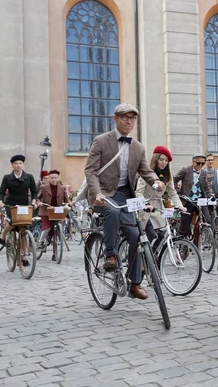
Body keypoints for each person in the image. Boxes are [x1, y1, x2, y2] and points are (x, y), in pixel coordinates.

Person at [84, 103, 165, 300]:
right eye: (124, 117)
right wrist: (97, 193)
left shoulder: (138, 147)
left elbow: (145, 170)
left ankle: (134, 283)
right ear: (115, 119)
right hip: (103, 192)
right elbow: (91, 171)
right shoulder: (101, 141)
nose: (129, 121)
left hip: (124, 195)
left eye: (132, 118)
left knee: (137, 234)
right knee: (111, 212)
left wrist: (155, 181)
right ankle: (110, 255)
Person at [136, 146, 185, 251]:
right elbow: (138, 192)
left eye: (166, 160)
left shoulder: (168, 176)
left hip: (158, 207)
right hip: (145, 207)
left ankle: (152, 257)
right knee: (150, 233)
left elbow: (173, 193)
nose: (164, 162)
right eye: (161, 159)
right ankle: (144, 259)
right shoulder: (147, 173)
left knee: (163, 234)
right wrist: (144, 204)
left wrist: (180, 206)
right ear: (156, 159)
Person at [0, 155, 38, 249]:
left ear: (23, 164)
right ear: (12, 165)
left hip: (24, 205)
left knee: (23, 230)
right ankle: (3, 234)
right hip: (11, 205)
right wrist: (0, 201)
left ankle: (24, 257)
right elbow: (1, 192)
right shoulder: (7, 177)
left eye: (20, 163)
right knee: (13, 222)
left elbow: (34, 191)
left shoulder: (29, 177)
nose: (18, 165)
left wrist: (34, 201)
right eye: (16, 163)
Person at [174, 154, 212, 237]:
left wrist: (210, 197)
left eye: (203, 163)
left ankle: (198, 239)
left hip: (200, 201)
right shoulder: (186, 170)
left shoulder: (204, 172)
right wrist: (177, 192)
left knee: (207, 220)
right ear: (193, 162)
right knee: (185, 226)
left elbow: (206, 187)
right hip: (188, 200)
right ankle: (182, 243)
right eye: (198, 163)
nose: (200, 165)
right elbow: (174, 180)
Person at [36, 169, 70, 260]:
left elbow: (66, 199)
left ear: (58, 178)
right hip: (46, 210)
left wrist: (69, 203)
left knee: (58, 231)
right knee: (47, 227)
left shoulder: (62, 188)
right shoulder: (44, 187)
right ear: (49, 178)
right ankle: (41, 241)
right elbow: (38, 198)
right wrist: (39, 203)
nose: (53, 179)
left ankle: (55, 253)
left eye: (55, 178)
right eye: (51, 178)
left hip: (57, 210)